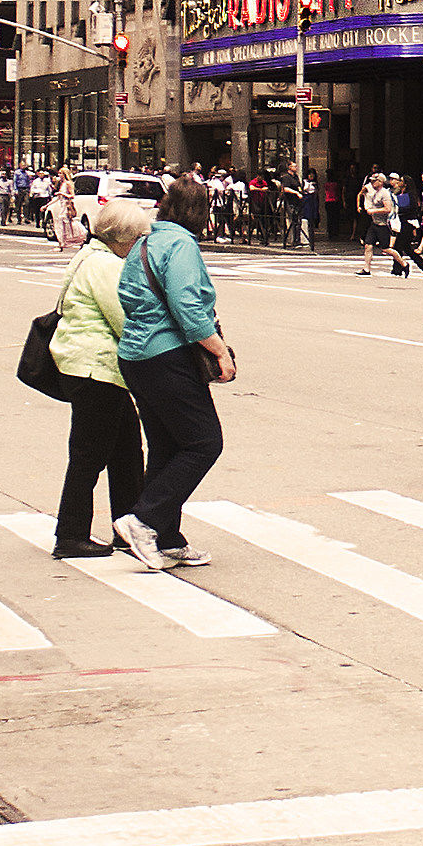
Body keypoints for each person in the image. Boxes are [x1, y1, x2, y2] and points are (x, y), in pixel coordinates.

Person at [113, 176, 235, 572]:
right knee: (204, 442)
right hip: (166, 355)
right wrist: (220, 352)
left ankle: (167, 538)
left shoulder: (145, 241)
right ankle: (144, 520)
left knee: (167, 447)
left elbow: (127, 296)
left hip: (136, 356)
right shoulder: (181, 243)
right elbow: (188, 306)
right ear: (200, 211)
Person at [48, 201, 153, 558]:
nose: (142, 243)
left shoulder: (89, 255)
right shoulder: (107, 266)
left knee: (125, 451)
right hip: (96, 368)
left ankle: (130, 527)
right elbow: (125, 320)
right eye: (140, 237)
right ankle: (71, 534)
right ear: (124, 238)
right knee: (89, 455)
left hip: (91, 367)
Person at [359, 170, 396, 276]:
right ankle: (366, 269)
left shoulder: (384, 193)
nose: (372, 183)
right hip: (374, 223)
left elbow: (388, 209)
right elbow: (362, 195)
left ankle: (403, 263)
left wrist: (373, 211)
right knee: (368, 245)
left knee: (386, 249)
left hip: (382, 225)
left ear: (380, 182)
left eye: (375, 181)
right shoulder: (374, 192)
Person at [50, 166, 80, 252]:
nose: (59, 175)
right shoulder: (61, 184)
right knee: (61, 225)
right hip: (61, 206)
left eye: (60, 173)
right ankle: (61, 244)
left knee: (68, 224)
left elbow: (72, 195)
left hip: (67, 206)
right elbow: (57, 198)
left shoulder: (68, 183)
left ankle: (80, 238)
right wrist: (47, 205)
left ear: (64, 174)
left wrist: (62, 194)